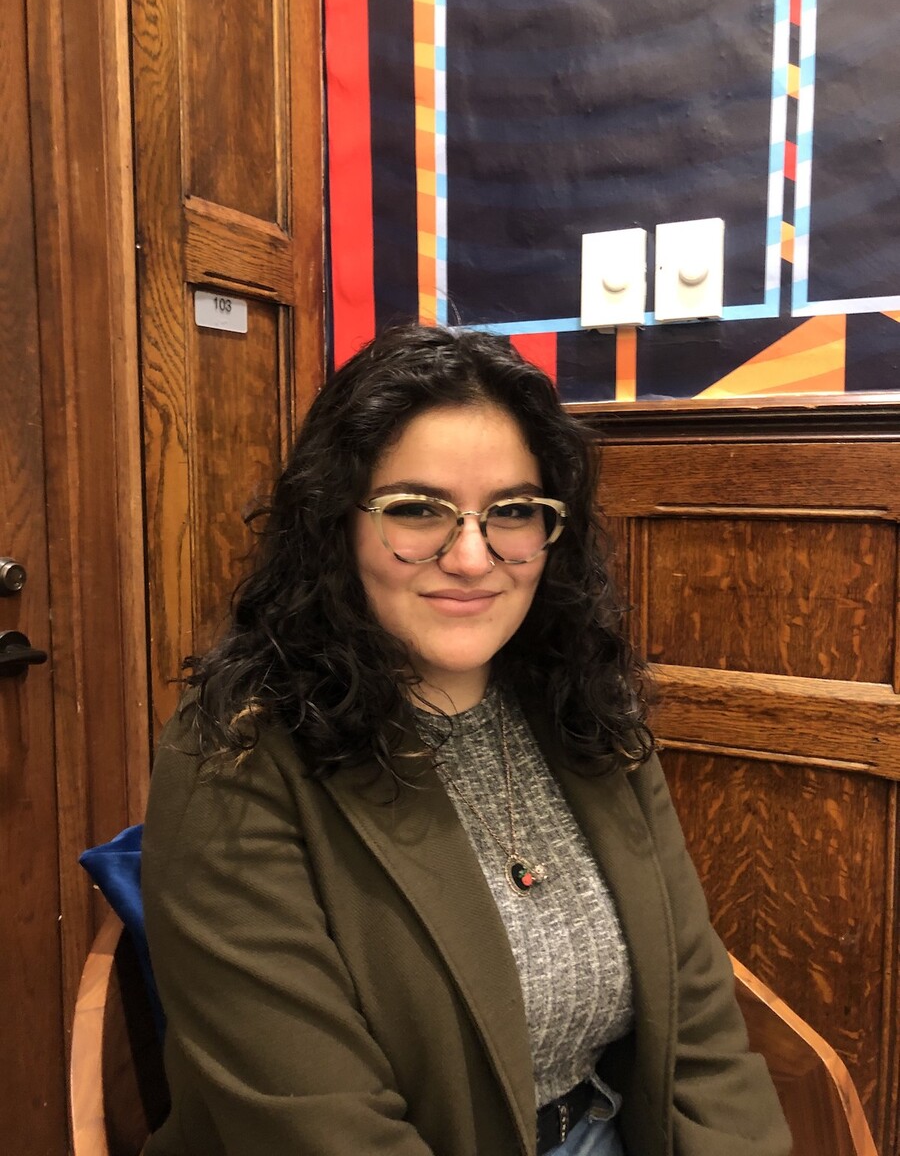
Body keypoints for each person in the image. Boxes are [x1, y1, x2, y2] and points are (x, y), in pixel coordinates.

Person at [142, 323, 791, 1156]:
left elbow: (699, 1026)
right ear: (335, 523)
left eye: (513, 512)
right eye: (417, 509)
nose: (474, 556)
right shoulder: (231, 755)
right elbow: (318, 1127)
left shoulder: (583, 708)